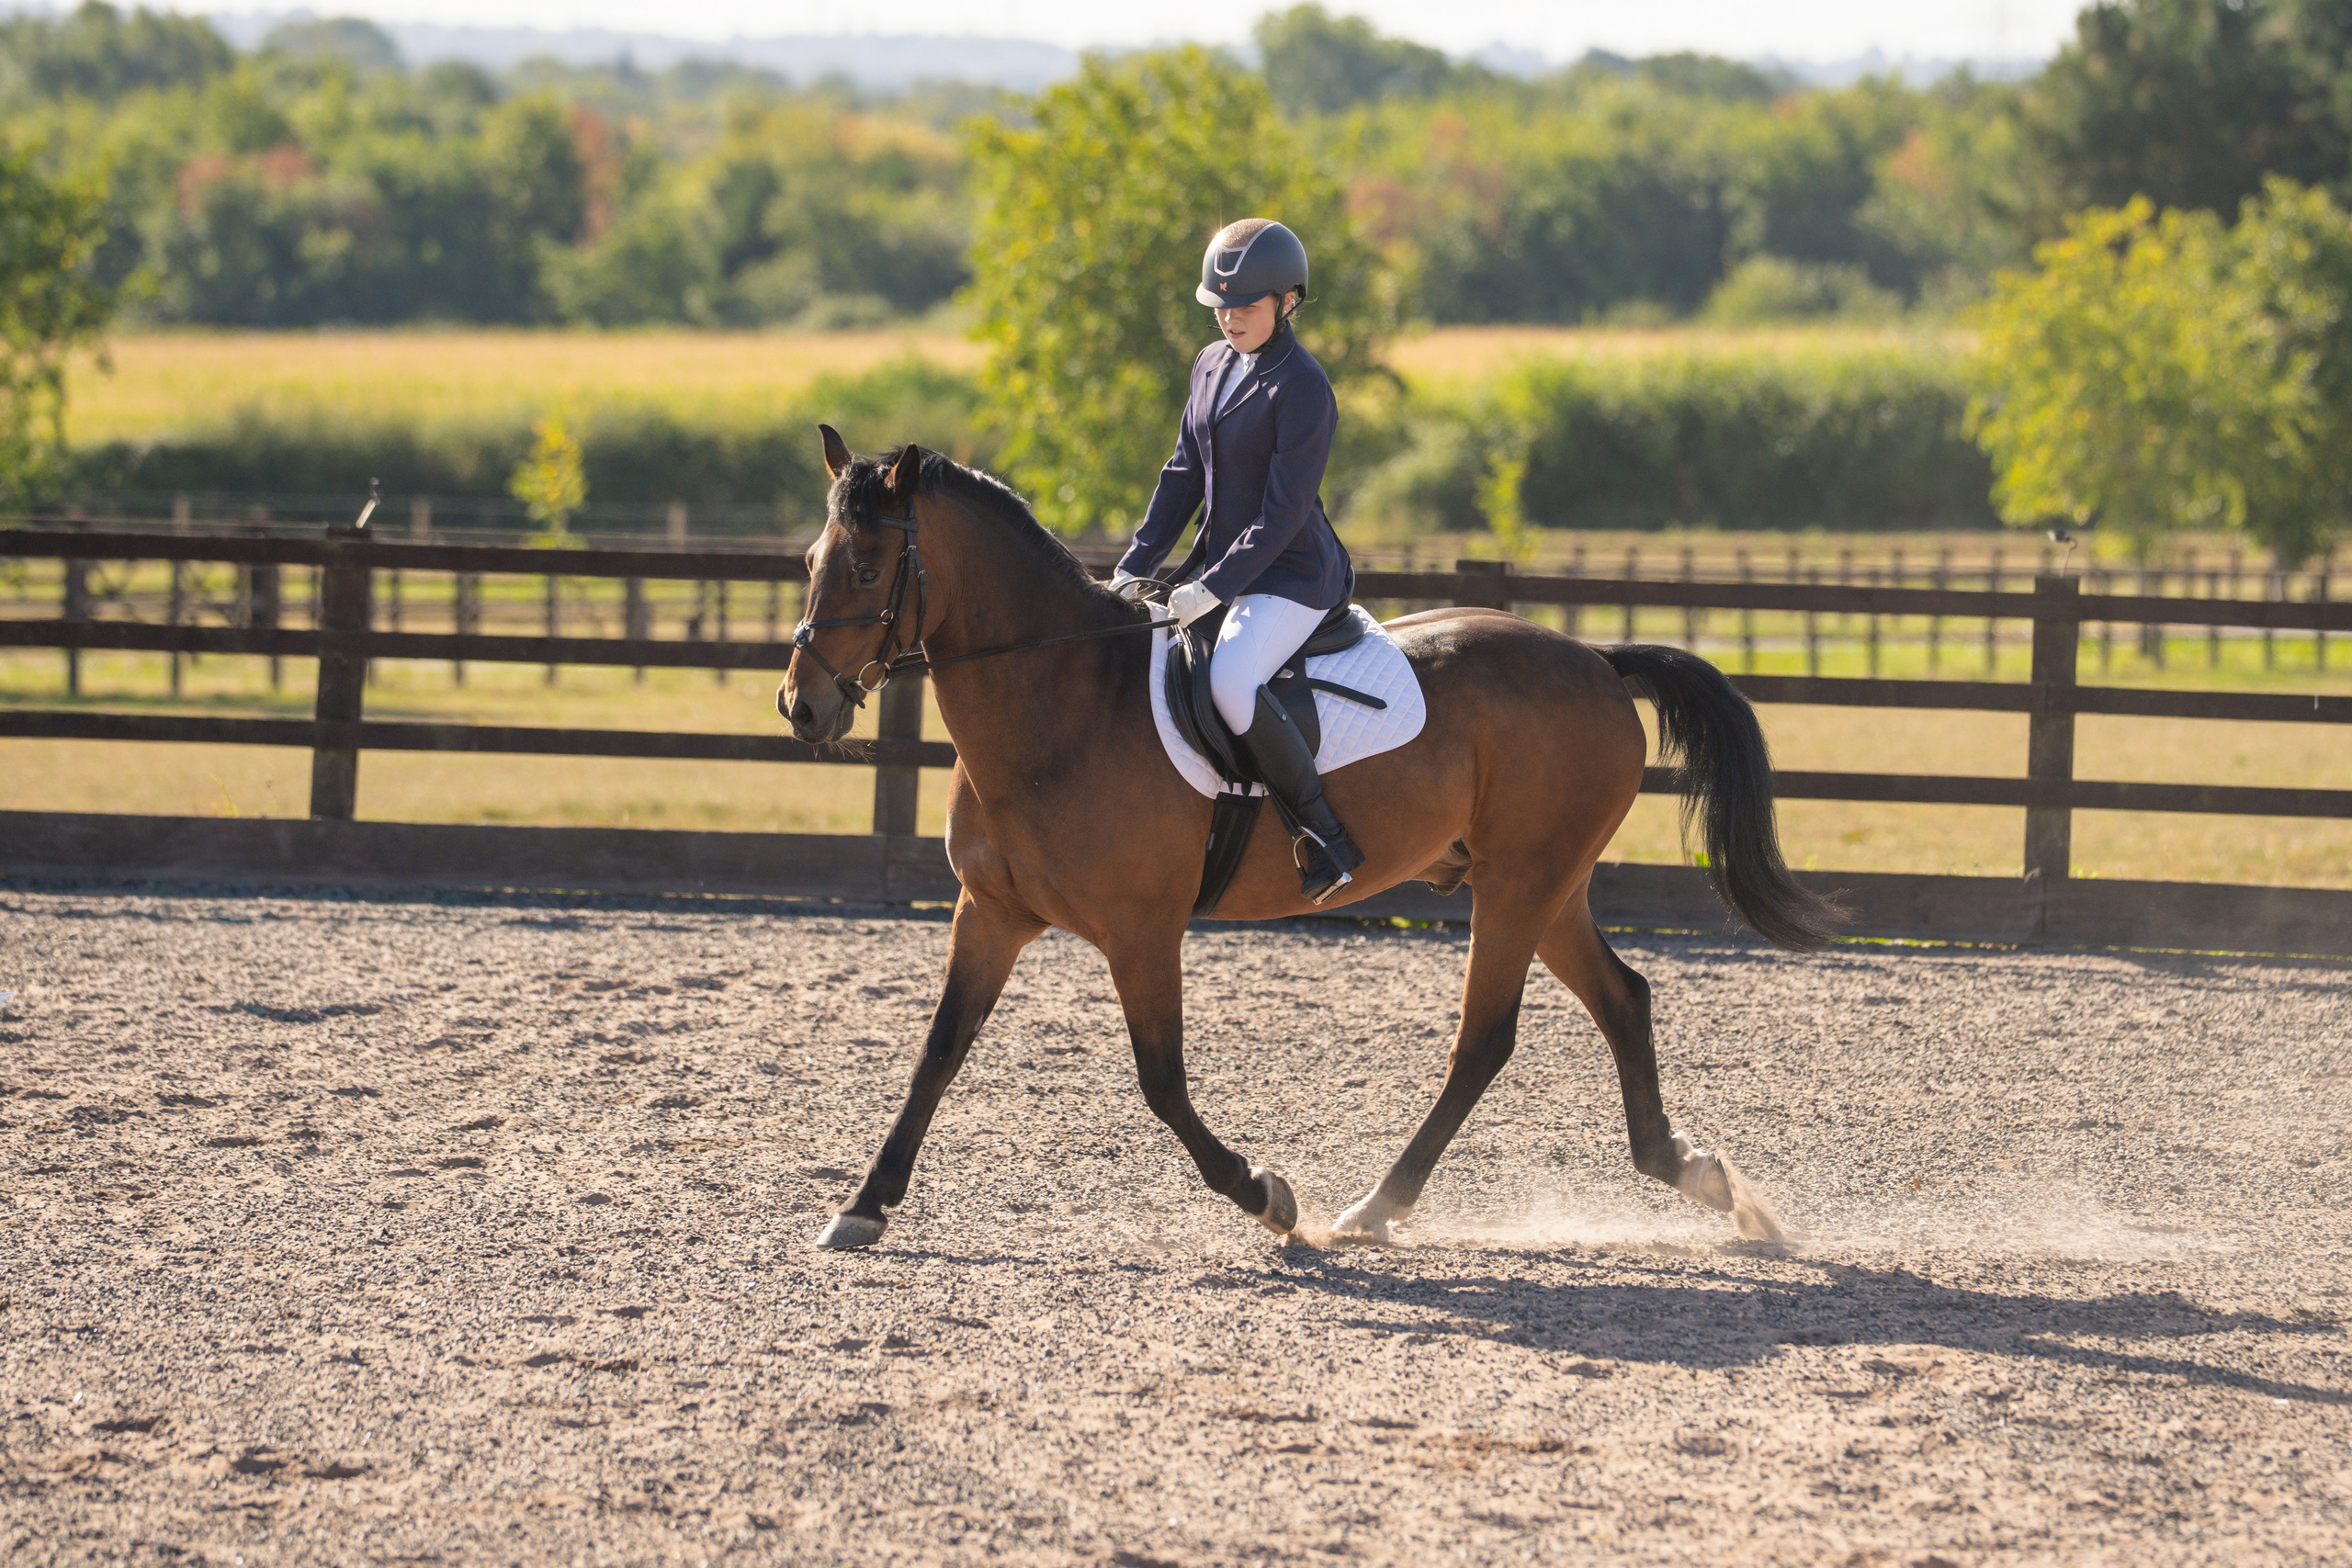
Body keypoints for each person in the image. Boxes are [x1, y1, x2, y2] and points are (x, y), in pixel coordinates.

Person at [1111, 218, 1364, 904]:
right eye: (1220, 305)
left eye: (1246, 306)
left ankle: (1324, 836)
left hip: (1291, 574)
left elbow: (1281, 516)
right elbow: (1182, 472)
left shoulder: (1303, 387)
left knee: (1228, 680)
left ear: (1288, 302)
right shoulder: (1211, 364)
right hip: (1219, 566)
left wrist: (1211, 588)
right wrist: (1135, 564)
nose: (1229, 318)